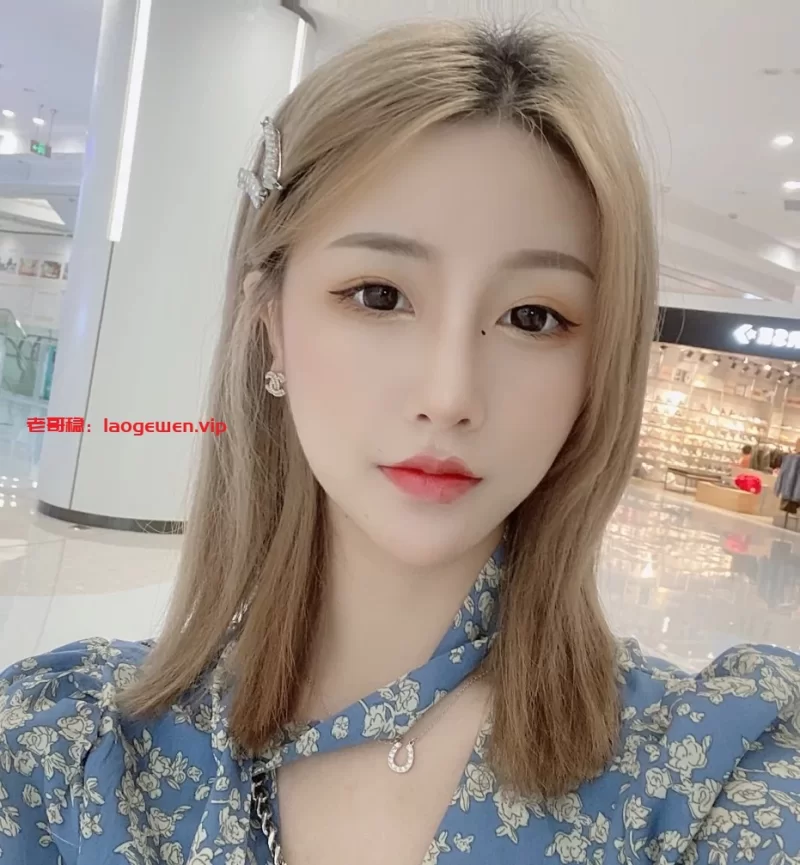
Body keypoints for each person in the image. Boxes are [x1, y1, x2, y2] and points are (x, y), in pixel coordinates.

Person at [1, 19, 798, 865]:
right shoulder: (70, 763)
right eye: (379, 295)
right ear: (270, 324)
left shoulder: (703, 781)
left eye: (533, 317)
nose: (448, 396)